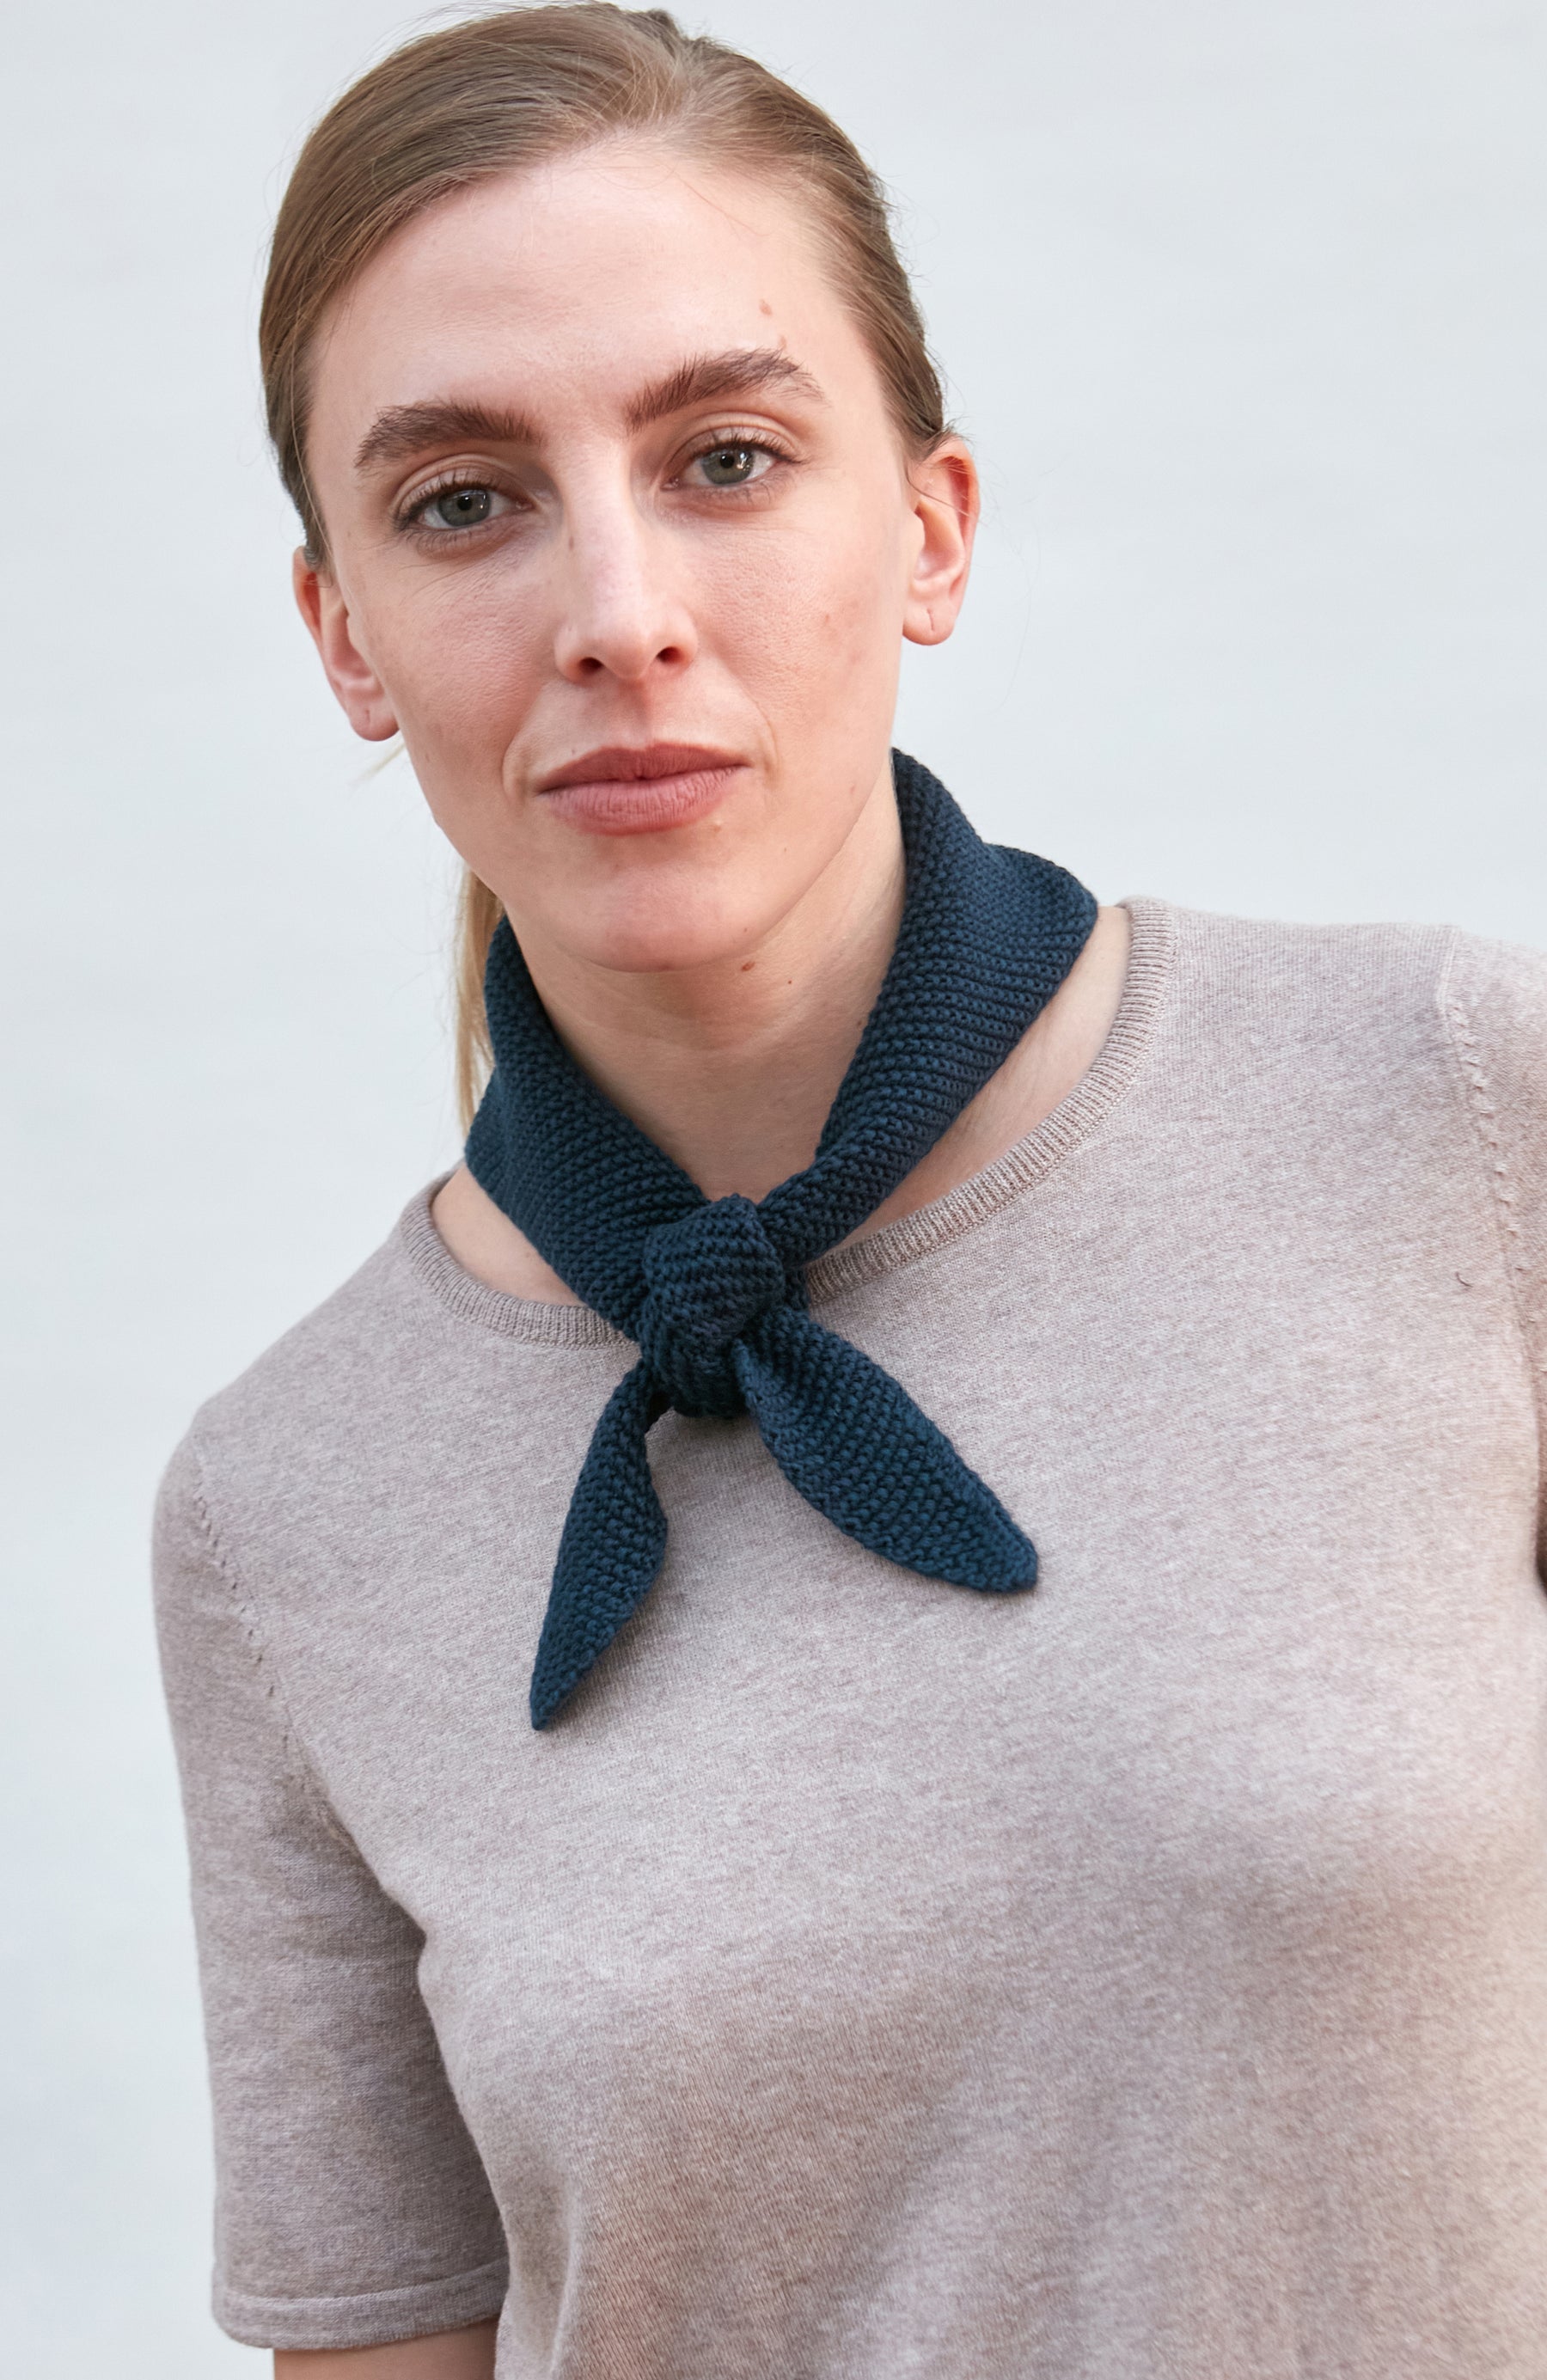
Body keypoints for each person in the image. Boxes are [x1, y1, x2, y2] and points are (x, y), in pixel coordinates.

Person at [153, 7, 1547, 2376]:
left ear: (928, 528)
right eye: (464, 499)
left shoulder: (1453, 1109)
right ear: (344, 638)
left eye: (723, 453)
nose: (618, 609)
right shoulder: (286, 1514)